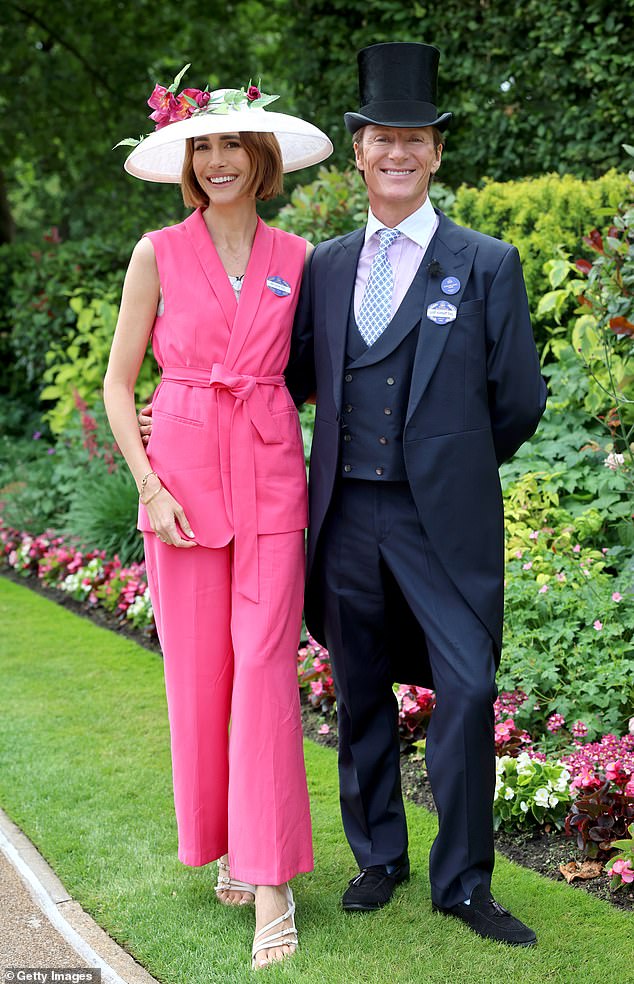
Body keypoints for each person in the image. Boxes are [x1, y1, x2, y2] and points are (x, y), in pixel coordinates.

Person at [285, 42, 547, 946]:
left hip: (445, 522)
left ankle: (465, 880)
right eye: (381, 138)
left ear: (436, 154)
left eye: (415, 139)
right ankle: (379, 858)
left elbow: (518, 400)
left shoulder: (486, 263)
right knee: (359, 687)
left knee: (467, 690)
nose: (397, 153)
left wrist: (453, 464)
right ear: (358, 152)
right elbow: (289, 380)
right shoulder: (324, 266)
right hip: (347, 515)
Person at [103, 69, 332, 970]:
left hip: (274, 476)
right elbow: (121, 388)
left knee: (267, 671)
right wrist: (152, 487)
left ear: (261, 156)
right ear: (188, 161)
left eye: (234, 143)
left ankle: (271, 881)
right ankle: (229, 846)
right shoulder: (156, 251)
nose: (220, 158)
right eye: (204, 145)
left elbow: (314, 375)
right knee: (201, 676)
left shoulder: (301, 259)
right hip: (184, 489)